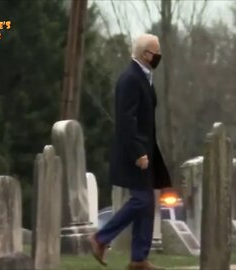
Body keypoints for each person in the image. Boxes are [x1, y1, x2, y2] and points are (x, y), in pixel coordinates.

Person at [88, 33, 172, 270]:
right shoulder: (130, 79)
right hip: (134, 154)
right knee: (141, 200)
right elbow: (126, 120)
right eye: (156, 52)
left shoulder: (144, 77)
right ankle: (101, 238)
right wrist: (138, 152)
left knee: (146, 204)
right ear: (146, 54)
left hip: (146, 152)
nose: (159, 57)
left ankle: (138, 259)